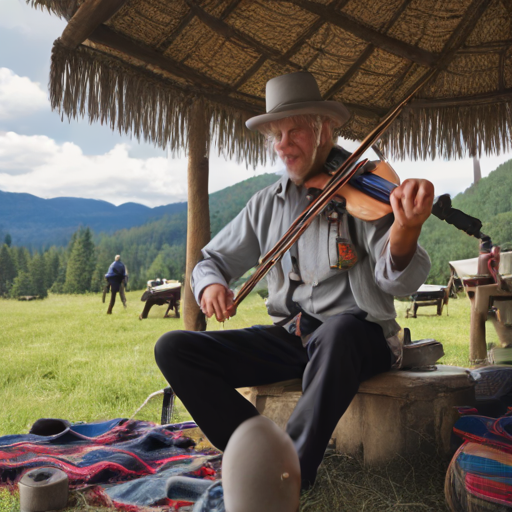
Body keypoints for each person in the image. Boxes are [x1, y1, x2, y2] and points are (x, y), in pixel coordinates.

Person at [155, 71, 434, 490]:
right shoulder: (267, 203)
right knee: (174, 349)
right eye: (276, 135)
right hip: (293, 338)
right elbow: (211, 259)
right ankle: (260, 452)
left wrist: (405, 232)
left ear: (324, 131)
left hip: (358, 339)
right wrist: (211, 283)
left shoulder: (364, 193)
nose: (283, 144)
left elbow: (396, 281)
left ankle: (290, 475)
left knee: (338, 331)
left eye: (295, 131)